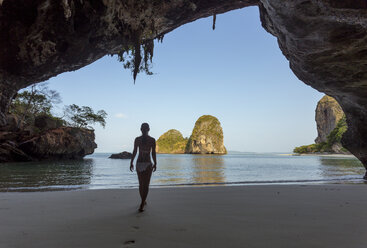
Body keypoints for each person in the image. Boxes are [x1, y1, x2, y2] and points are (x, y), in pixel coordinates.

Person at [130, 123, 157, 212]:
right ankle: (142, 202)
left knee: (141, 184)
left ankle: (142, 201)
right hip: (147, 163)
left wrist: (131, 162)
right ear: (149, 129)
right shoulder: (152, 140)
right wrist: (155, 163)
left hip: (139, 163)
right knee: (145, 185)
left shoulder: (137, 139)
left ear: (141, 129)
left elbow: (134, 151)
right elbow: (153, 153)